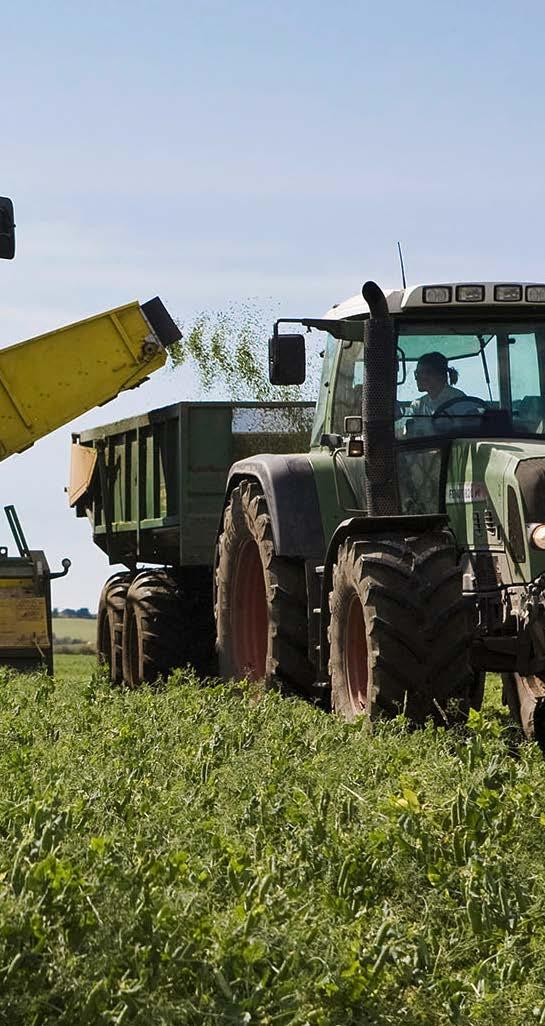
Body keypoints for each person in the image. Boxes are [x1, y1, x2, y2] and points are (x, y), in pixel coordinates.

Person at [408, 351, 469, 417]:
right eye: (416, 373)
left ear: (439, 375)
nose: (416, 378)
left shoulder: (458, 400)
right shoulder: (418, 406)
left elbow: (473, 424)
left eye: (421, 373)